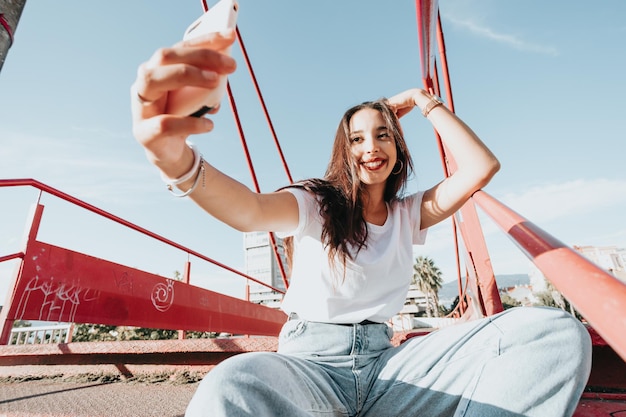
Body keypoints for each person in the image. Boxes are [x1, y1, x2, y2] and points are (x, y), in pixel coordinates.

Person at [131, 29, 592, 417]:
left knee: (556, 334)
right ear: (343, 151)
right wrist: (178, 162)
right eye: (356, 138)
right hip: (311, 368)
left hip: (387, 369)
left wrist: (422, 100)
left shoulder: (408, 215)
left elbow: (480, 168)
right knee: (230, 385)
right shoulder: (316, 202)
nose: (370, 146)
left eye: (383, 134)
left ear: (397, 149)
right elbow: (249, 210)